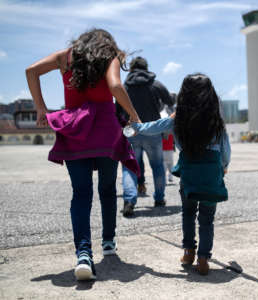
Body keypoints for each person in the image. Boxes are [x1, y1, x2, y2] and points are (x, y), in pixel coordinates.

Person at [25, 29, 141, 281]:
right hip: (106, 131)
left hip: (75, 129)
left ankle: (83, 254)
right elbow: (115, 85)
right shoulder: (111, 55)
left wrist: (41, 109)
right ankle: (109, 242)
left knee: (81, 194)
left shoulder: (64, 57)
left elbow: (30, 71)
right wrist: (133, 115)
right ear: (107, 43)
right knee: (108, 189)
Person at [130, 73, 231, 275]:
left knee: (188, 213)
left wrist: (135, 125)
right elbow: (225, 149)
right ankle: (203, 258)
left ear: (184, 95)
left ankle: (188, 252)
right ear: (210, 95)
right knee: (207, 219)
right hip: (211, 173)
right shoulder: (215, 120)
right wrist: (223, 166)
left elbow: (153, 127)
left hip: (189, 174)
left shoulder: (178, 119)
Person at [116, 56, 174, 216]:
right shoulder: (155, 84)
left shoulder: (124, 87)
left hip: (132, 132)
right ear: (146, 67)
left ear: (132, 69)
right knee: (157, 165)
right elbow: (169, 100)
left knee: (129, 167)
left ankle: (129, 200)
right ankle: (159, 199)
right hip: (153, 131)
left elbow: (117, 112)